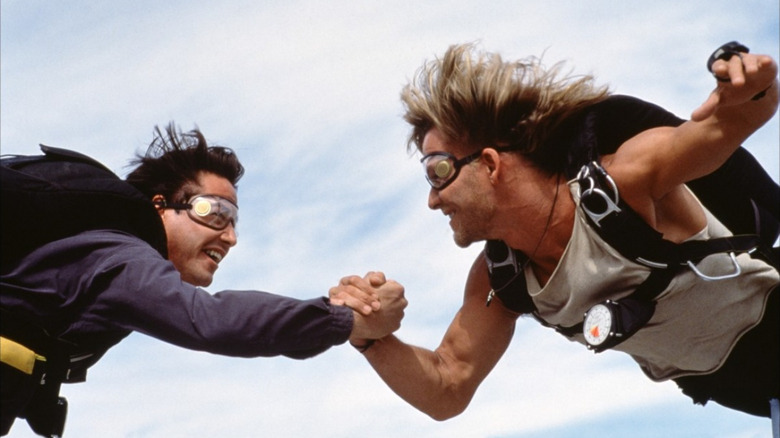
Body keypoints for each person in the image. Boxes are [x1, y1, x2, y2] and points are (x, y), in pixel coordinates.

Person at [330, 42, 779, 421]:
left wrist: (753, 89)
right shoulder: (500, 279)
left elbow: (725, 126)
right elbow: (448, 387)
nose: (432, 199)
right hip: (738, 387)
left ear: (489, 163)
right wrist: (369, 334)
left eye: (438, 170)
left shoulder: (621, 183)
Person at [0, 124, 406, 437]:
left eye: (233, 220)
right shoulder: (120, 259)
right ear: (160, 207)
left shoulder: (97, 256)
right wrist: (346, 318)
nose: (229, 236)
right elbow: (214, 321)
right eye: (213, 212)